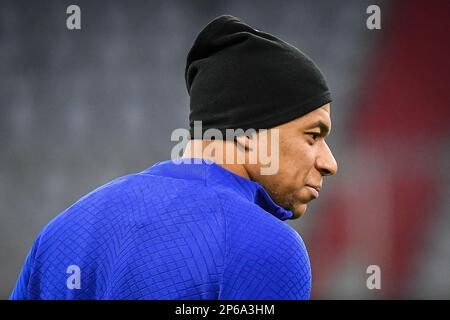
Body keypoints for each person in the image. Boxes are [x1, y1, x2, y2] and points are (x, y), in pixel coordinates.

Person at [10, 15, 337, 300]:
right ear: (248, 136)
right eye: (313, 135)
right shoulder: (268, 248)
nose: (329, 163)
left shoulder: (61, 233)